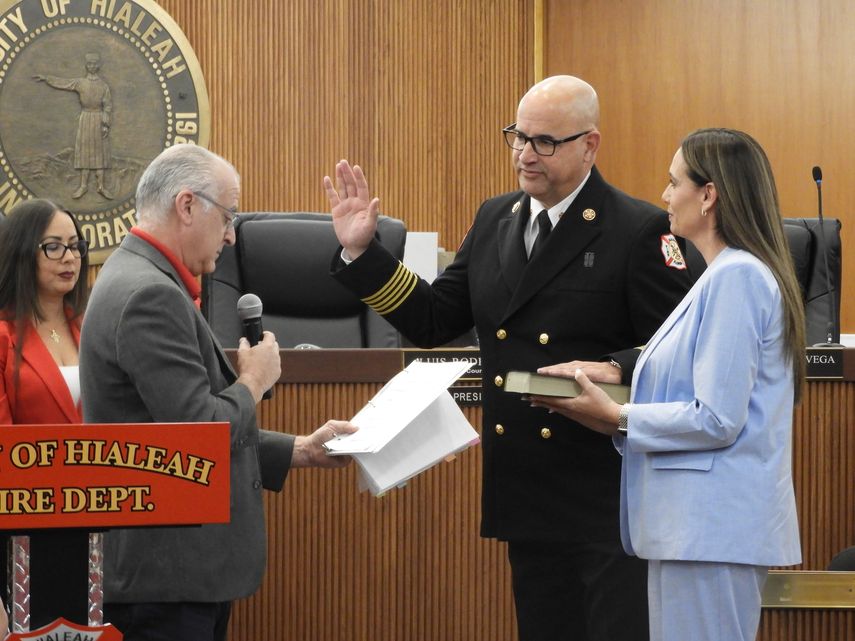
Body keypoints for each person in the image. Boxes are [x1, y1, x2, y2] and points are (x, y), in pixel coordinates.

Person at [324, 75, 693, 641]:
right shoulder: (497, 217)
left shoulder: (637, 228)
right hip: (524, 482)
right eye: (518, 137)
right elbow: (435, 320)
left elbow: (677, 348)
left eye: (545, 141)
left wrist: (614, 365)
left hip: (604, 489)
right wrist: (362, 253)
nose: (525, 154)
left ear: (589, 145)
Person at [531, 128, 805, 641]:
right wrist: (604, 381)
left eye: (673, 181)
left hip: (711, 531)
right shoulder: (716, 275)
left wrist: (615, 415)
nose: (663, 196)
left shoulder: (737, 277)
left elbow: (716, 418)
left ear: (708, 195)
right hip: (692, 530)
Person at [79, 144, 357, 641]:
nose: (231, 235)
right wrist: (254, 379)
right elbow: (199, 430)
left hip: (169, 573)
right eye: (228, 216)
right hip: (165, 576)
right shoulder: (150, 293)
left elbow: (163, 428)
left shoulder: (141, 276)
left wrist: (301, 451)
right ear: (187, 206)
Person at [0, 199, 91, 628]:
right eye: (53, 247)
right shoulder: (2, 335)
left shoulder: (91, 327)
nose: (70, 257)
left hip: (98, 515)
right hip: (25, 526)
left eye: (75, 245)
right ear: (22, 252)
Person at [34, 52, 114, 199]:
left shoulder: (104, 86)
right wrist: (47, 79)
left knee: (99, 153)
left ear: (98, 66)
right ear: (86, 65)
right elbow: (64, 83)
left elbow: (107, 105)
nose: (92, 66)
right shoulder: (80, 83)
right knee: (84, 152)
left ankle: (101, 186)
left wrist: (105, 124)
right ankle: (83, 186)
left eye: (94, 64)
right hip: (85, 119)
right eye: (89, 64)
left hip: (98, 119)